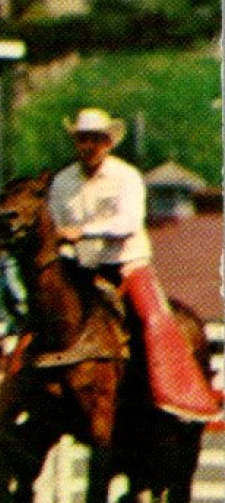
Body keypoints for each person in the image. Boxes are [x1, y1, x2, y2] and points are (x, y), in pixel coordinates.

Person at [50, 107, 220, 421]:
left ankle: (179, 394)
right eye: (82, 139)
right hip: (81, 268)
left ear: (108, 143)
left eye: (95, 139)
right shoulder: (62, 182)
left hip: (126, 263)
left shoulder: (125, 177)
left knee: (153, 318)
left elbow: (128, 222)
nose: (88, 146)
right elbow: (57, 227)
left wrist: (82, 232)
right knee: (46, 316)